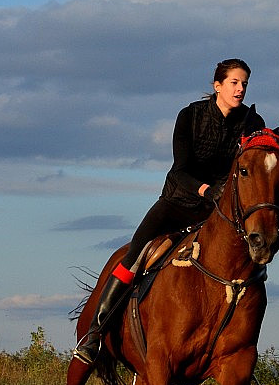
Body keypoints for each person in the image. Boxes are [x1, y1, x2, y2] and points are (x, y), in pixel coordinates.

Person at [73, 59, 265, 366]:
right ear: (217, 86)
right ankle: (95, 333)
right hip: (177, 203)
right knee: (134, 255)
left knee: (247, 269)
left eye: (244, 84)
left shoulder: (251, 122)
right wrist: (207, 190)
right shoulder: (190, 116)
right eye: (234, 83)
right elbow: (180, 170)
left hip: (217, 215)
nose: (240, 89)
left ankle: (236, 356)